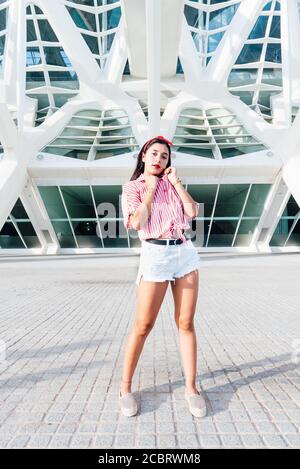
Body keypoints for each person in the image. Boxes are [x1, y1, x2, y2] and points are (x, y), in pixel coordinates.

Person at [119, 135, 207, 418]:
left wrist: (175, 183)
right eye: (154, 154)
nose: (158, 159)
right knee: (143, 325)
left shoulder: (172, 185)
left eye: (164, 156)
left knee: (185, 322)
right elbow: (136, 223)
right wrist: (150, 190)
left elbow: (192, 212)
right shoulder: (132, 187)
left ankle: (192, 388)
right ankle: (125, 388)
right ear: (144, 156)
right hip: (155, 255)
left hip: (184, 253)